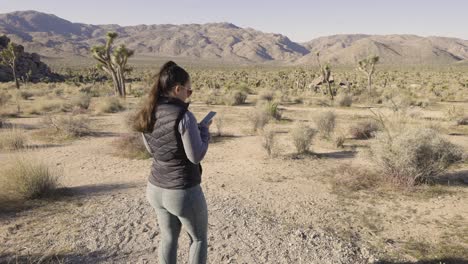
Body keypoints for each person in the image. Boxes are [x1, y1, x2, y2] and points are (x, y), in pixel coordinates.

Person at [134, 61, 211, 264]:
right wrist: (204, 131)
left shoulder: (148, 112)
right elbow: (196, 155)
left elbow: (152, 150)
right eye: (189, 90)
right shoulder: (184, 117)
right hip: (182, 191)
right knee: (198, 239)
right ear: (178, 89)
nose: (189, 94)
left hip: (155, 188)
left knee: (168, 238)